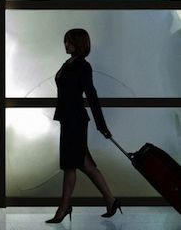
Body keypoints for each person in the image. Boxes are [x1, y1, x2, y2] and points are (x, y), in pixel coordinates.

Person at [46, 29, 121, 223]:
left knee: (71, 165)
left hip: (76, 121)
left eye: (69, 42)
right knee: (84, 164)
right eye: (65, 41)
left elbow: (91, 95)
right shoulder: (68, 63)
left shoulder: (83, 66)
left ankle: (63, 208)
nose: (66, 45)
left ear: (79, 43)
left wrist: (101, 125)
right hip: (68, 119)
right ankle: (111, 201)